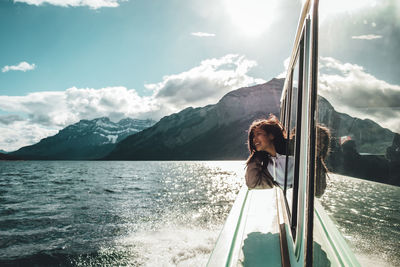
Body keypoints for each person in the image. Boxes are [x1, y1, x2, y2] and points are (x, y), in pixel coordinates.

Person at [245, 114, 293, 189]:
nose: (254, 139)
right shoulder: (269, 167)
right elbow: (252, 183)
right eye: (253, 136)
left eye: (258, 134)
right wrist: (256, 156)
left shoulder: (294, 149)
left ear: (271, 135)